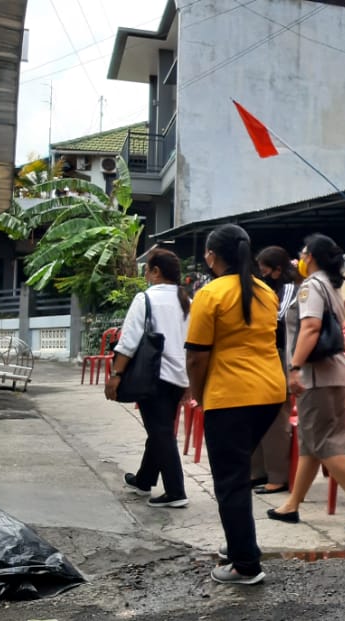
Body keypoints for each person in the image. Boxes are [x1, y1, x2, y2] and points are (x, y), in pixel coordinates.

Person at [185, 224, 287, 585]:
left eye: (206, 254)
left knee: (230, 481)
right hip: (271, 393)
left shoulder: (209, 295)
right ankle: (238, 542)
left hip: (231, 396)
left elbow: (197, 358)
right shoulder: (265, 292)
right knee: (238, 473)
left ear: (213, 256)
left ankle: (245, 564)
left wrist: (198, 394)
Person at [267, 234, 345, 532]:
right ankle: (292, 504)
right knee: (312, 442)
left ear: (311, 256)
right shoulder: (331, 287)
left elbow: (311, 327)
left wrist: (294, 368)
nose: (300, 258)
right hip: (335, 375)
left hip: (316, 377)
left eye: (303, 253)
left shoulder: (312, 288)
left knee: (324, 441)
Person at [110, 249, 191, 508]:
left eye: (147, 269)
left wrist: (116, 375)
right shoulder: (186, 300)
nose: (145, 274)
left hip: (154, 376)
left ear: (156, 272)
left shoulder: (146, 299)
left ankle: (176, 491)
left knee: (161, 432)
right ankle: (144, 479)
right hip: (179, 377)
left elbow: (129, 341)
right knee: (160, 429)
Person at [251, 246, 301, 495]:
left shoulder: (289, 288)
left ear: (278, 269)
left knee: (276, 415)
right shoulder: (270, 288)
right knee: (257, 412)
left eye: (265, 270)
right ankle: (258, 471)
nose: (262, 275)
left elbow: (276, 318)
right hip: (267, 354)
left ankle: (278, 476)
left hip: (282, 356)